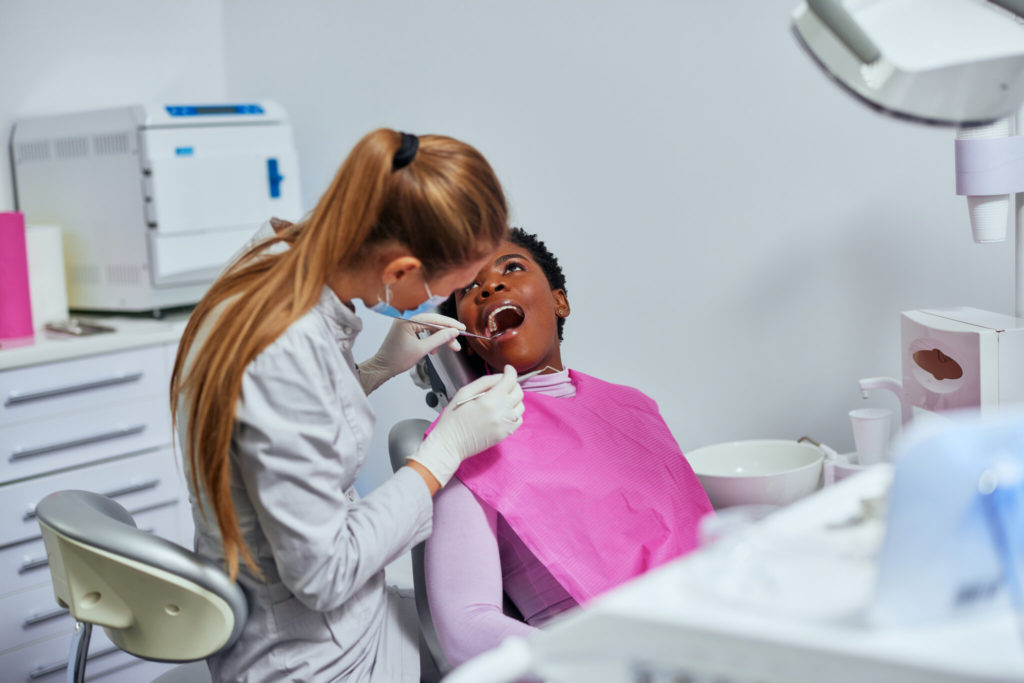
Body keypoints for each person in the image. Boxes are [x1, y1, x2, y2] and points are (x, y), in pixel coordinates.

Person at [169, 129, 526, 682]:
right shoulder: (281, 344)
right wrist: (443, 452)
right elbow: (325, 572)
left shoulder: (276, 255)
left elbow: (275, 439)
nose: (466, 298)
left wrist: (374, 370)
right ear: (401, 271)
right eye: (452, 287)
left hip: (331, 614)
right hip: (307, 656)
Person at [424, 228, 713, 667]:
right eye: (469, 287)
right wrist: (596, 661)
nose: (490, 286)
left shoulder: (634, 408)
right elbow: (464, 628)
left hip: (718, 631)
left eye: (512, 268)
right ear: (464, 335)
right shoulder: (465, 436)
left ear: (560, 301)